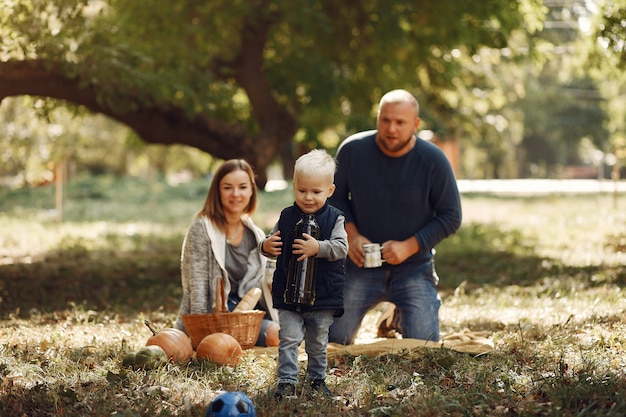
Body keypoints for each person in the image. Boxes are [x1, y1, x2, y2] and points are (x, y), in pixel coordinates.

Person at [328, 89, 462, 345]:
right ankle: (393, 313)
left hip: (413, 267)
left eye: (400, 122)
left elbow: (451, 215)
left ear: (415, 124)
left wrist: (409, 246)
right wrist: (352, 235)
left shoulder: (433, 160)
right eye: (385, 120)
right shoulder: (352, 151)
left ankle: (398, 317)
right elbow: (334, 198)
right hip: (359, 265)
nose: (391, 128)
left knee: (425, 344)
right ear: (377, 118)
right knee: (335, 339)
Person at [260, 149, 347, 399]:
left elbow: (342, 248)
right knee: (288, 339)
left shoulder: (335, 219)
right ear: (294, 187)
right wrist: (266, 246)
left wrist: (318, 247)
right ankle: (287, 381)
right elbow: (271, 241)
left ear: (330, 191)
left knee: (318, 342)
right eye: (302, 191)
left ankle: (317, 379)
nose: (308, 197)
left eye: (316, 192)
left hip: (322, 294)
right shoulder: (287, 216)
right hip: (289, 292)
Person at [174, 159, 278, 346]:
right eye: (228, 187)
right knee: (219, 347)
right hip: (214, 316)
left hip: (244, 317)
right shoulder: (201, 230)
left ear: (251, 191)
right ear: (217, 191)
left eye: (243, 187)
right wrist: (198, 335)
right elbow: (197, 287)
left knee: (277, 334)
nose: (236, 194)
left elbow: (261, 284)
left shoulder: (256, 234)